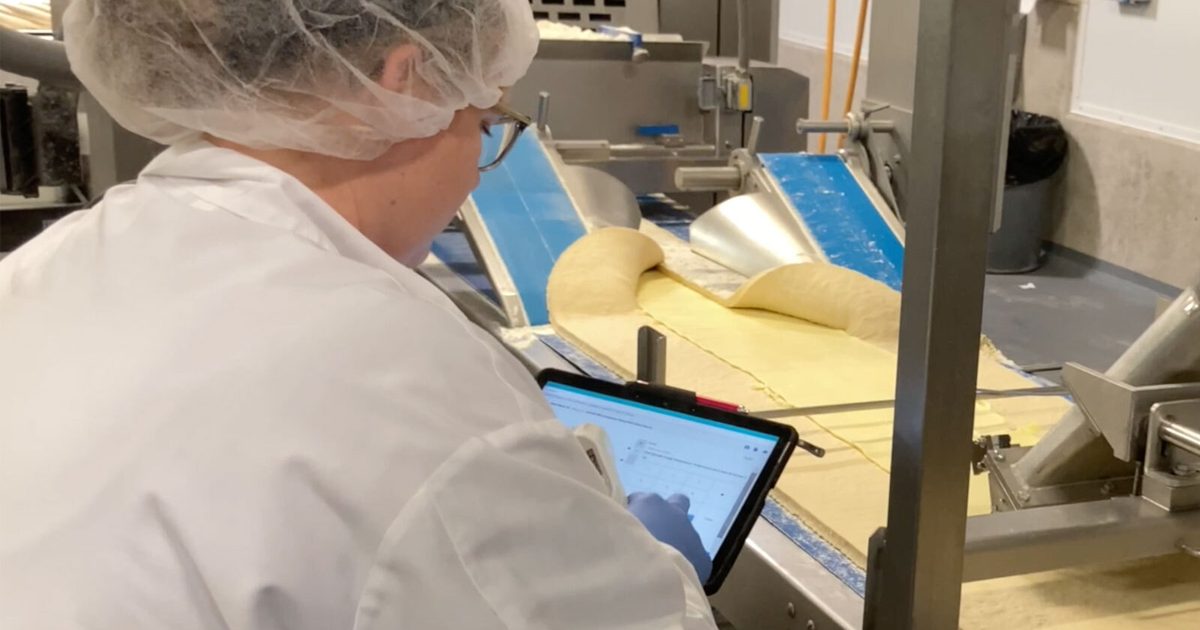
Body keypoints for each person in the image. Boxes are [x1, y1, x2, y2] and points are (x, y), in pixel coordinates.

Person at [0, 1, 716, 628]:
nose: (477, 165)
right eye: (487, 119)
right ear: (406, 81)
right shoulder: (408, 386)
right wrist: (658, 564)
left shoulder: (48, 267)